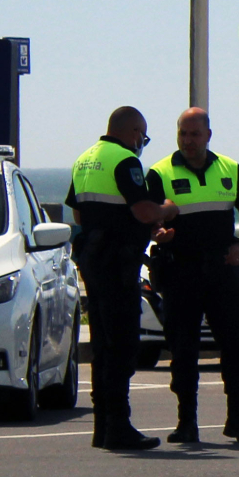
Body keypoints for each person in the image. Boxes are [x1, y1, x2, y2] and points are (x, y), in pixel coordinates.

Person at [149, 107, 239, 446]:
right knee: (183, 349)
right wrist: (159, 233)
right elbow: (149, 221)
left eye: (195, 134)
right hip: (180, 270)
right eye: (183, 133)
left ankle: (238, 419)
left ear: (208, 135)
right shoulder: (159, 173)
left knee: (235, 344)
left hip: (222, 271)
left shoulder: (230, 169)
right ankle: (187, 422)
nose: (188, 141)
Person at [67, 107, 168, 451]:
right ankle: (119, 426)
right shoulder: (125, 161)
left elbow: (78, 213)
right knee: (123, 345)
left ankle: (103, 426)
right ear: (135, 132)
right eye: (143, 136)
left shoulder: (85, 159)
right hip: (118, 263)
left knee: (102, 345)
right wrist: (167, 209)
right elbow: (143, 210)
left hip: (93, 261)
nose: (142, 143)